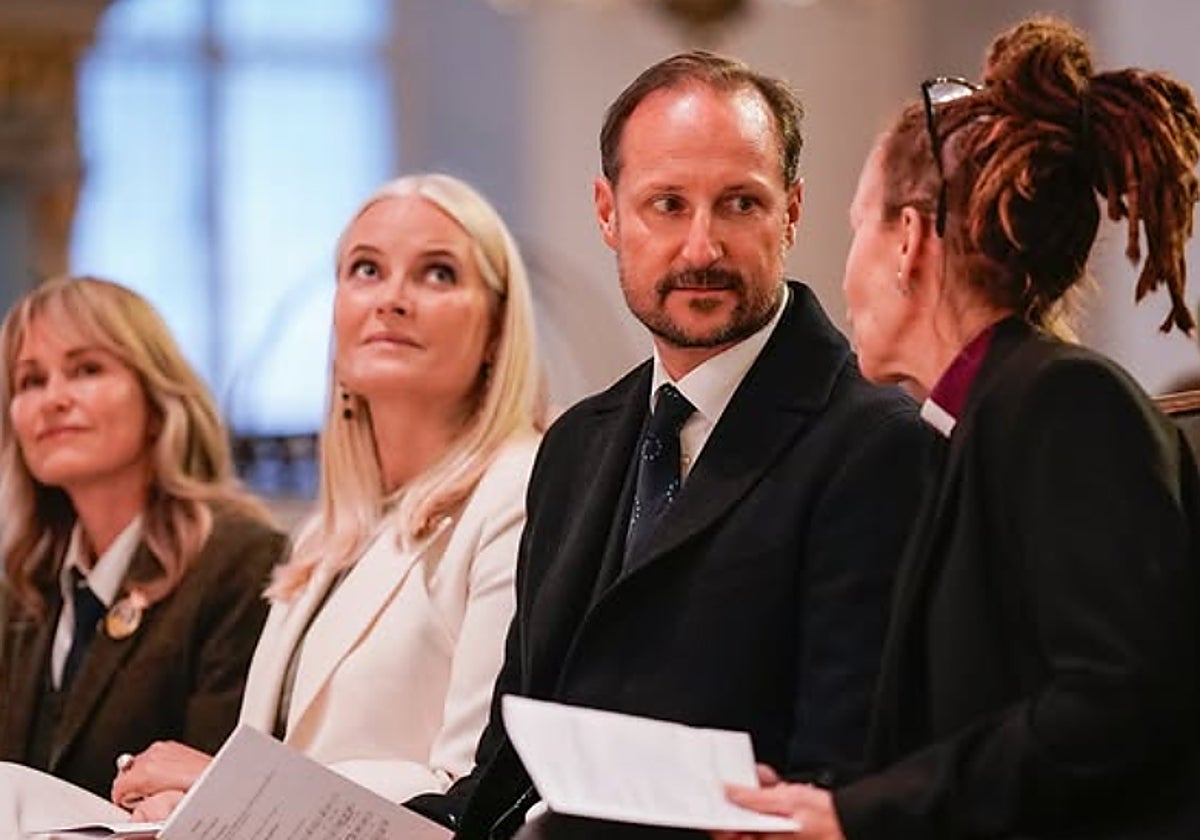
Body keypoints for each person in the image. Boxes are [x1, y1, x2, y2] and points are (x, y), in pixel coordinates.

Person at [409, 51, 931, 840]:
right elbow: (507, 762)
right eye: (666, 205)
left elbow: (847, 774)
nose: (701, 249)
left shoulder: (877, 446)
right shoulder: (576, 446)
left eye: (739, 205)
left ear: (791, 213)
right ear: (607, 212)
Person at [722, 15, 1200, 840]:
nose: (842, 271)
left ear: (908, 239)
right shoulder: (978, 418)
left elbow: (1113, 705)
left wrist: (860, 815)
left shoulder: (1064, 403)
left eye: (855, 224)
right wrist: (818, 804)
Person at [0, 173, 544, 835]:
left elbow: (478, 795)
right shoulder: (327, 535)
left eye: (436, 274)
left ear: (496, 327)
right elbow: (282, 757)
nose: (392, 299)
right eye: (365, 270)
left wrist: (219, 785)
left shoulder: (522, 492)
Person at [0, 276, 287, 798]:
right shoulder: (20, 589)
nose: (54, 399)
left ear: (156, 400)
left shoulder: (239, 562)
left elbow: (225, 802)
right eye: (30, 381)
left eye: (86, 370)